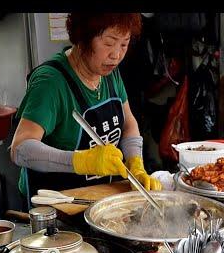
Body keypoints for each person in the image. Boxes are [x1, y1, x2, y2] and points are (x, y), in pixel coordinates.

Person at [11, 13, 161, 206]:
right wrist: (82, 161)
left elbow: (129, 123)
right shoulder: (51, 83)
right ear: (82, 37)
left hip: (98, 200)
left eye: (124, 44)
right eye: (109, 43)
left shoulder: (108, 73)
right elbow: (20, 149)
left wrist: (136, 164)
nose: (116, 55)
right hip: (55, 207)